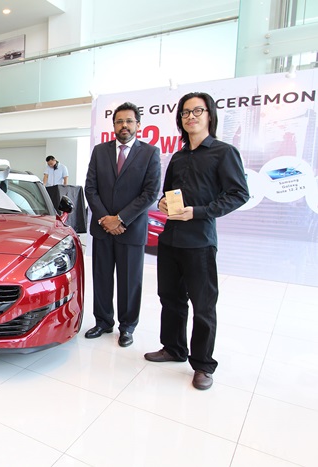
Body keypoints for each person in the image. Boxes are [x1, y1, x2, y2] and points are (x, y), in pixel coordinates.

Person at [144, 92, 249, 390]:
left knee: (203, 306)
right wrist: (163, 204)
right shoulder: (177, 157)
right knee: (170, 298)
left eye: (197, 111)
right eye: (185, 112)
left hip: (200, 241)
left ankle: (203, 365)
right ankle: (174, 348)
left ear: (209, 115)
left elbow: (239, 194)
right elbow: (167, 194)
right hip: (170, 239)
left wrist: (199, 212)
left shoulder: (224, 152)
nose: (191, 117)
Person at [84, 102, 161, 347]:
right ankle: (103, 322)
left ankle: (127, 327)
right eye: (119, 121)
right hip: (102, 229)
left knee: (130, 282)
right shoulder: (100, 151)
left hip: (131, 229)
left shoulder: (150, 152)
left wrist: (120, 218)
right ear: (114, 125)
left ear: (138, 125)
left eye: (129, 121)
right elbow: (90, 188)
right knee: (102, 278)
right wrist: (105, 219)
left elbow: (150, 193)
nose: (124, 125)